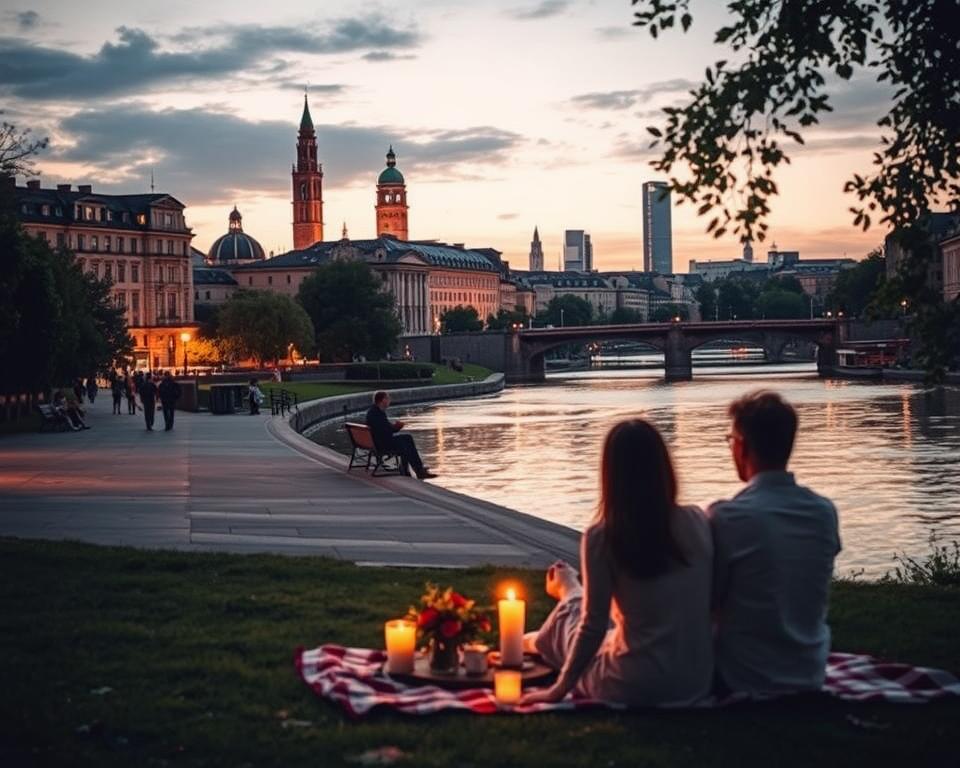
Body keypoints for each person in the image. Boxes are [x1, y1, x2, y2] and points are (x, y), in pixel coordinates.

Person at [520, 419, 713, 706]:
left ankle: (564, 596)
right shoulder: (698, 519)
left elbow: (593, 627)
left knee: (574, 620)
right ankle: (554, 613)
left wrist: (558, 690)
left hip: (632, 683)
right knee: (604, 622)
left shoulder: (603, 536)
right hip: (694, 683)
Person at [709, 391, 841, 697]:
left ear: (741, 446)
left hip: (740, 676)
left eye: (730, 440)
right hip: (809, 672)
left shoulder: (726, 517)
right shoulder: (824, 512)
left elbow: (707, 602)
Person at [365, 391, 437, 480]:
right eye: (387, 398)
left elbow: (384, 428)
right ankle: (417, 470)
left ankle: (415, 469)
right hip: (382, 444)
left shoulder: (374, 411)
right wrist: (397, 427)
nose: (389, 401)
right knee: (404, 444)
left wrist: (394, 427)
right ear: (382, 400)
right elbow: (387, 431)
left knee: (407, 438)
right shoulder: (377, 413)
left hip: (378, 441)